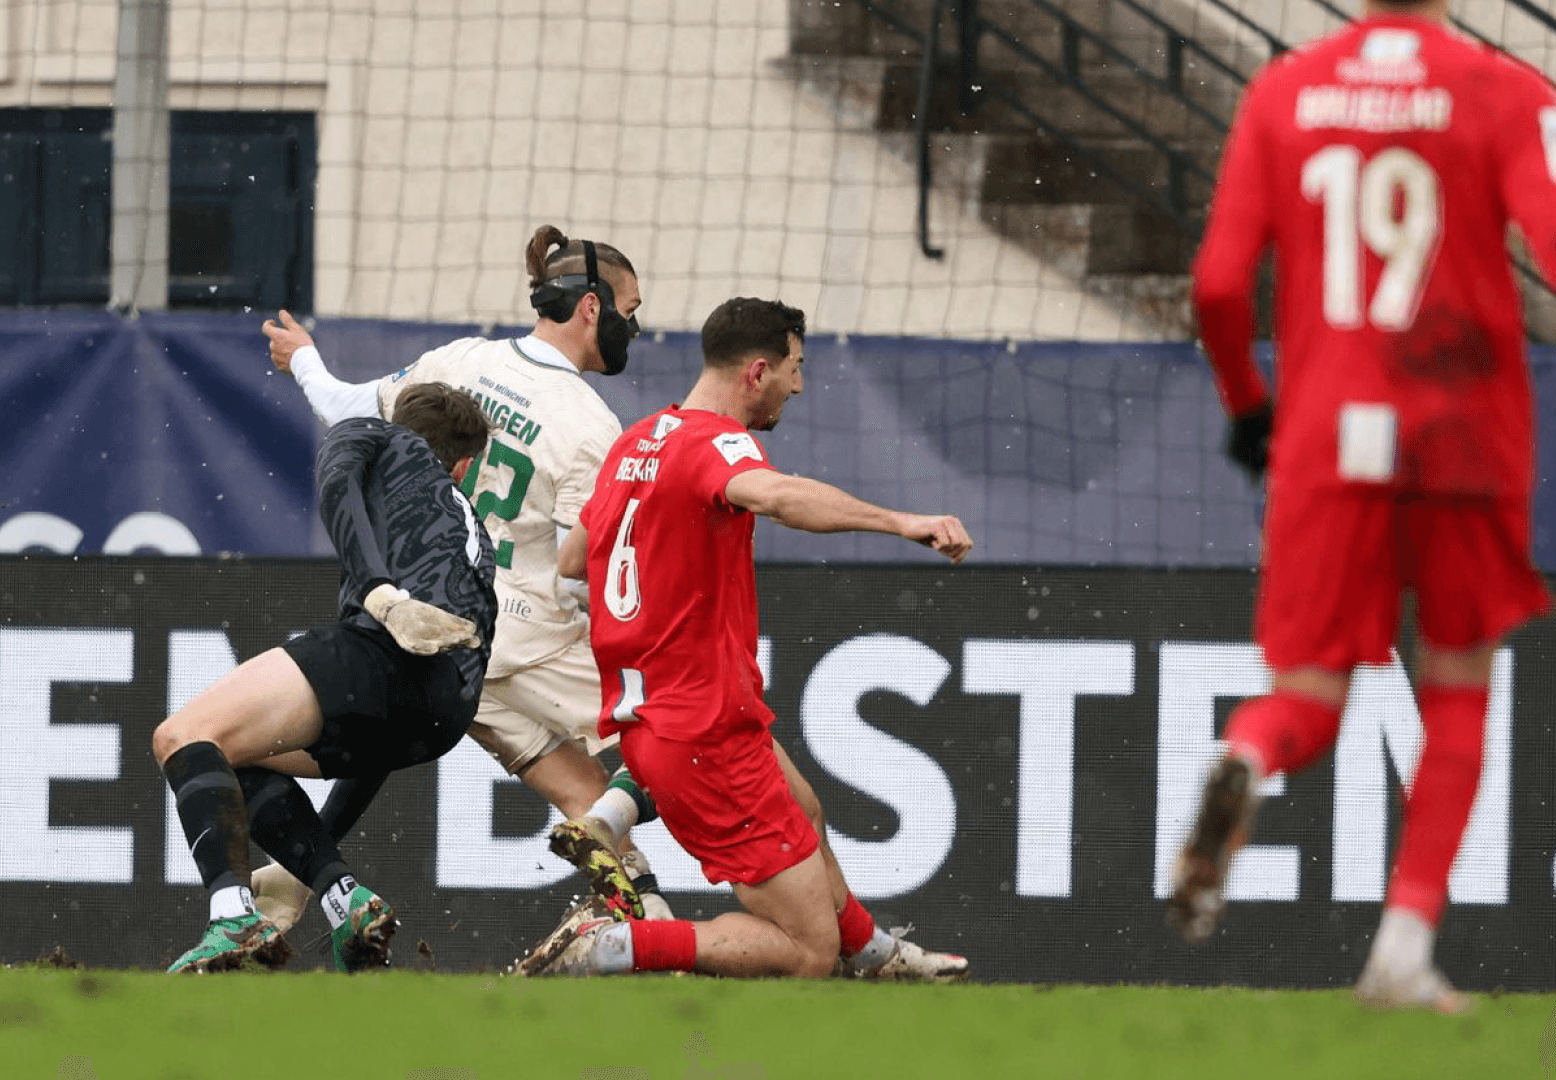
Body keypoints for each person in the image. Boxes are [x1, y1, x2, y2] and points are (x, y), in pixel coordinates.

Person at [1166, 0, 1556, 1012]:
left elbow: (1219, 286)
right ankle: (1402, 947)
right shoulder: (1504, 91)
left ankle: (1244, 757)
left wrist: (1250, 407)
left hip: (1326, 438)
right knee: (1456, 692)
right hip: (1461, 440)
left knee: (1307, 693)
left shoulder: (1285, 92)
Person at [514, 297, 974, 980]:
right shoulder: (718, 443)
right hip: (703, 732)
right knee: (804, 953)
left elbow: (576, 558)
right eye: (795, 368)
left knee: (806, 811)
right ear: (757, 371)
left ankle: (875, 954)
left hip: (666, 721)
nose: (800, 384)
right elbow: (776, 496)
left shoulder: (637, 440)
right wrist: (903, 522)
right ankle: (616, 944)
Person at [261, 225, 675, 924]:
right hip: (534, 644)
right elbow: (583, 575)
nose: (636, 329)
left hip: (452, 642)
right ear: (593, 309)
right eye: (631, 313)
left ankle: (652, 931)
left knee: (583, 793)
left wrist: (305, 360)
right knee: (691, 731)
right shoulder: (591, 427)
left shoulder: (460, 360)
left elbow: (342, 408)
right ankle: (750, 926)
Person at [155, 383, 497, 973]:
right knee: (237, 759)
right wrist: (304, 868)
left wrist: (375, 590)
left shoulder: (375, 432)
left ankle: (232, 916)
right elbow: (392, 714)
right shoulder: (476, 536)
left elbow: (337, 484)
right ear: (464, 469)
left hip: (383, 651)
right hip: (447, 713)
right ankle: (344, 900)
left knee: (182, 738)